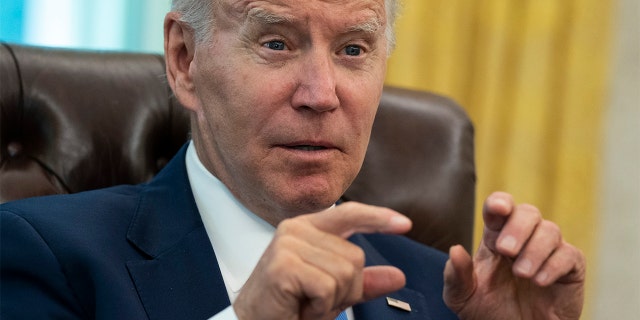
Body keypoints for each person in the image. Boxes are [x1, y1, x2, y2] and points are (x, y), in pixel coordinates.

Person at [0, 0, 586, 319]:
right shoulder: (46, 256)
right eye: (276, 42)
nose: (322, 94)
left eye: (354, 49)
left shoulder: (440, 293)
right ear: (184, 60)